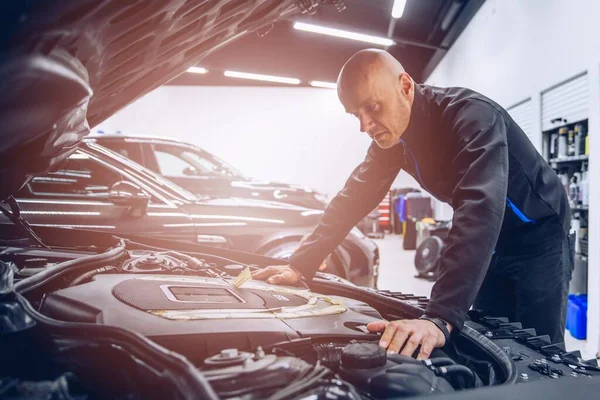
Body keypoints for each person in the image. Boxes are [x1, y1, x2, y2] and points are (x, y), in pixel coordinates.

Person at [253, 49, 573, 360]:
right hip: (492, 244)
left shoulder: (473, 116)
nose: (365, 126)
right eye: (356, 116)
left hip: (539, 239)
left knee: (540, 353)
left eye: (373, 107)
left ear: (405, 87)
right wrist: (300, 263)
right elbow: (353, 196)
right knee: (488, 340)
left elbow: (480, 206)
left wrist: (440, 316)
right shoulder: (394, 139)